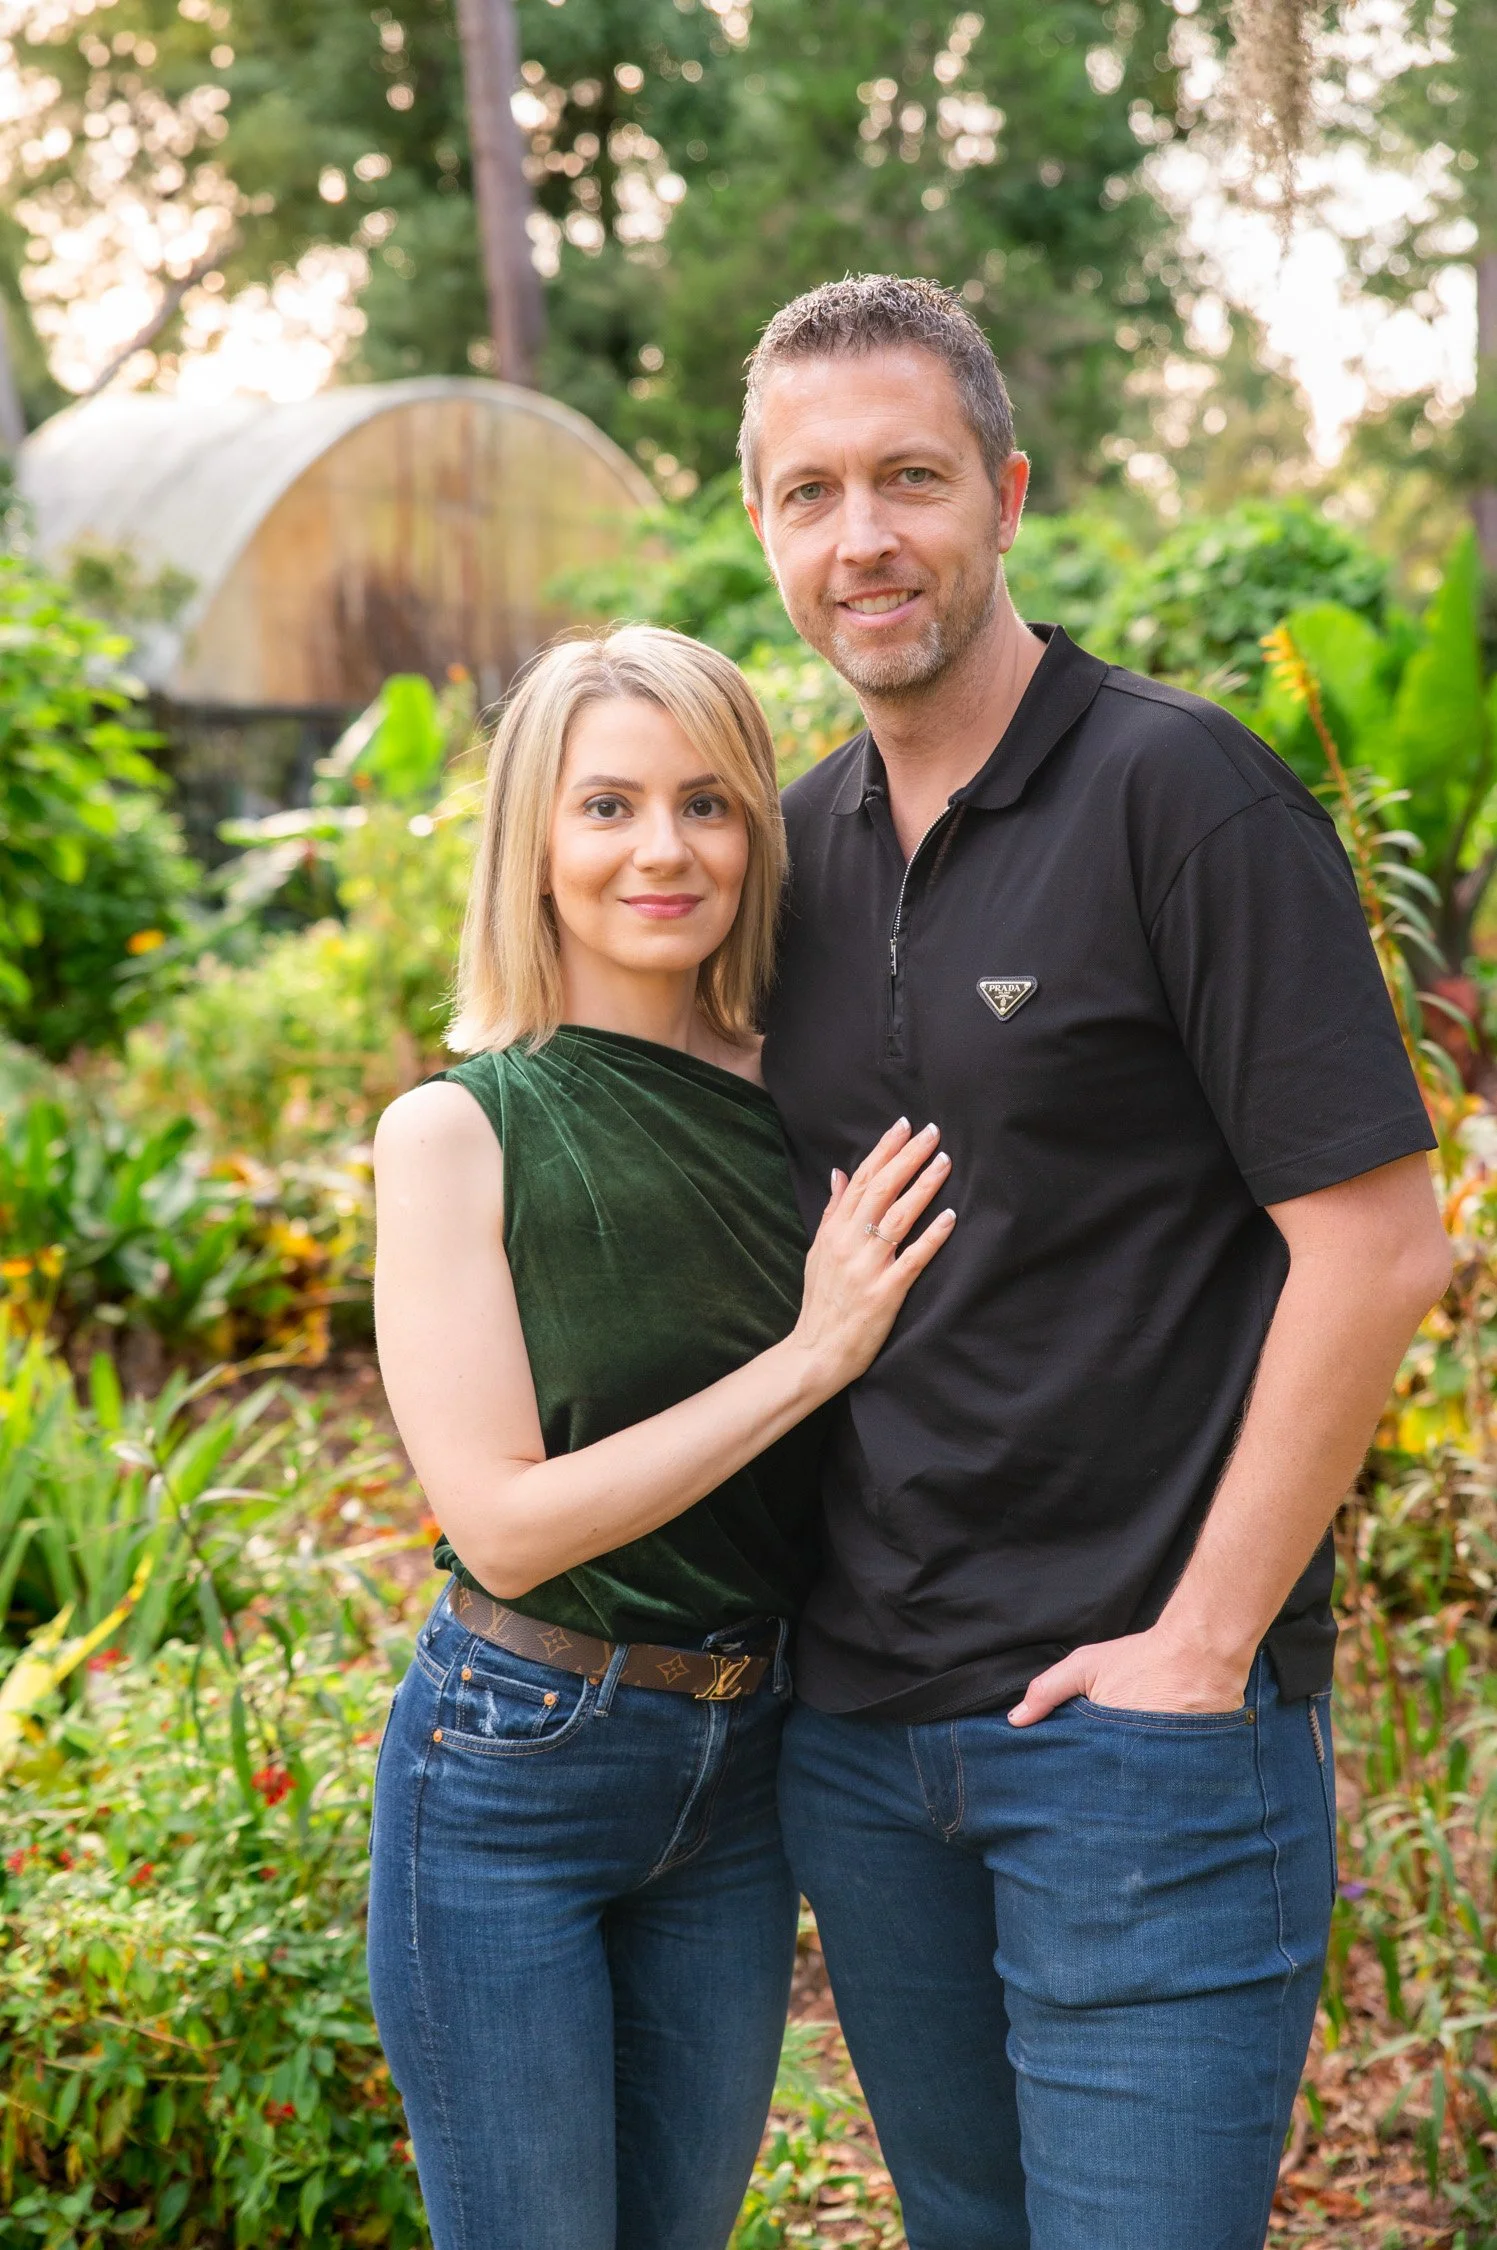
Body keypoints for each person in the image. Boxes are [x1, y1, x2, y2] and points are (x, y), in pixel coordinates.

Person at [740, 275, 1454, 2249]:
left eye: (908, 478)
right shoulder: (791, 856)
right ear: (764, 537)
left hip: (1138, 1745)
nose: (862, 536)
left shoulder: (1179, 796)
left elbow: (1377, 1247)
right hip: (869, 1753)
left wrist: (1202, 1649)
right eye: (810, 494)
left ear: (1006, 493)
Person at [364, 623, 955, 2250]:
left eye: (707, 802)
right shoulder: (459, 1131)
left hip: (745, 1763)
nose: (662, 850)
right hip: (514, 1762)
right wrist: (813, 1351)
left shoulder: (805, 1094)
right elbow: (504, 1519)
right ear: (534, 845)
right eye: (606, 806)